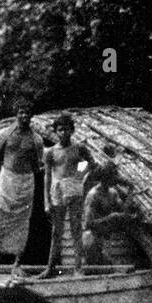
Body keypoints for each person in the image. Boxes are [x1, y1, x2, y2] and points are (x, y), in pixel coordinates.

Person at [0, 104, 42, 279]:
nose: (24, 116)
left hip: (26, 181)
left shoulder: (36, 139)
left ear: (31, 116)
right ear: (16, 114)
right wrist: (6, 175)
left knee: (22, 222)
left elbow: (38, 164)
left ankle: (16, 264)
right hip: (7, 178)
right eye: (21, 112)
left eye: (27, 113)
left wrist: (27, 174)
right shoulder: (3, 134)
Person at [40, 113, 94, 278]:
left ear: (72, 130)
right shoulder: (50, 152)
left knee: (76, 229)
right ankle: (50, 268)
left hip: (74, 188)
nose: (63, 133)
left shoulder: (79, 148)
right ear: (56, 131)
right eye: (60, 129)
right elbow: (47, 176)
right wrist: (46, 201)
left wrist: (79, 176)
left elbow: (91, 163)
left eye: (67, 129)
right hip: (57, 189)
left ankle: (78, 267)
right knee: (57, 231)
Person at [82, 161, 140, 266]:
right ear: (106, 177)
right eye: (114, 176)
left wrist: (131, 190)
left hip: (105, 239)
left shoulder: (113, 193)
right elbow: (88, 223)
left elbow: (124, 211)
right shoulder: (93, 195)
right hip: (92, 238)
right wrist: (110, 218)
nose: (116, 179)